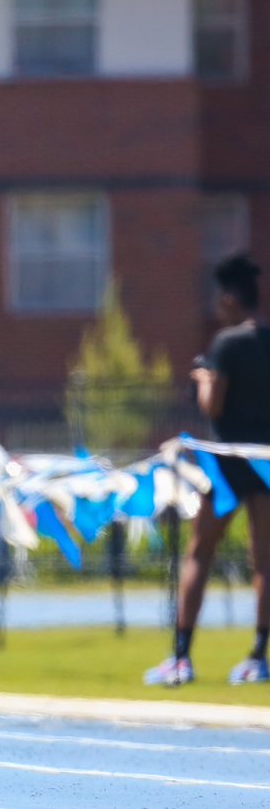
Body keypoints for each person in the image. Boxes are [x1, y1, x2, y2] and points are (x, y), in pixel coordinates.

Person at [145, 254, 270, 686]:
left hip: (227, 463)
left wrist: (201, 377)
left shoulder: (226, 344)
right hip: (265, 461)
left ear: (231, 298)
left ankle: (181, 657)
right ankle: (258, 656)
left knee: (200, 552)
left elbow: (212, 405)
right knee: (264, 560)